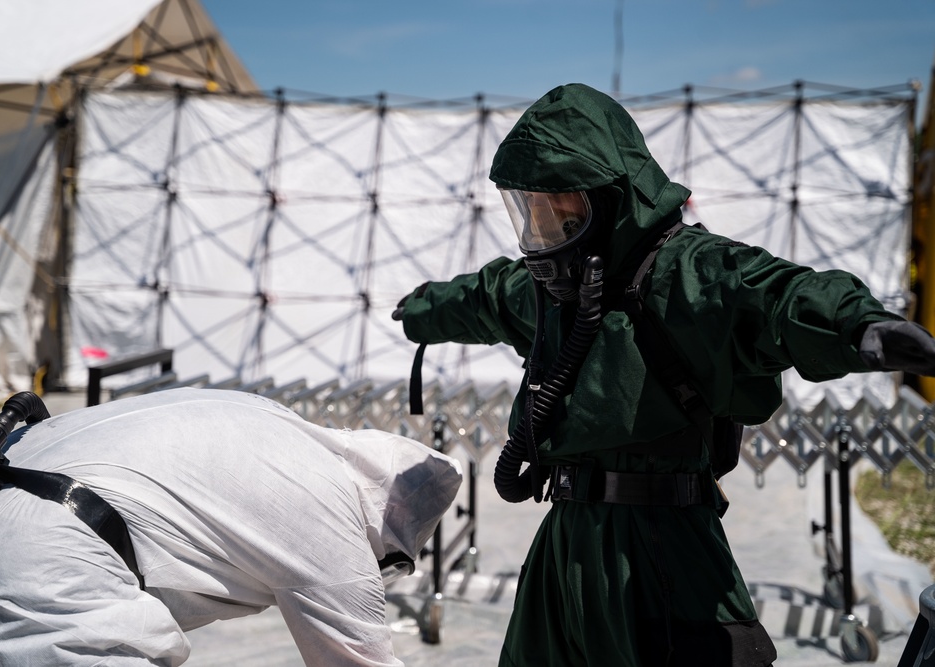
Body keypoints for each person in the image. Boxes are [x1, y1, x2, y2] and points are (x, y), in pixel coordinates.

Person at [392, 83, 935, 667]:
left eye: (559, 208)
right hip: (564, 541)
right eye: (532, 211)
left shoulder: (688, 274)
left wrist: (861, 327)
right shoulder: (551, 294)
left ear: (609, 197)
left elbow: (772, 293)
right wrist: (424, 309)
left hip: (663, 549)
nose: (544, 230)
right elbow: (485, 295)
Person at [0, 387, 462, 666]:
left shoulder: (269, 421)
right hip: (33, 583)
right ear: (387, 531)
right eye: (387, 567)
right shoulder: (335, 524)